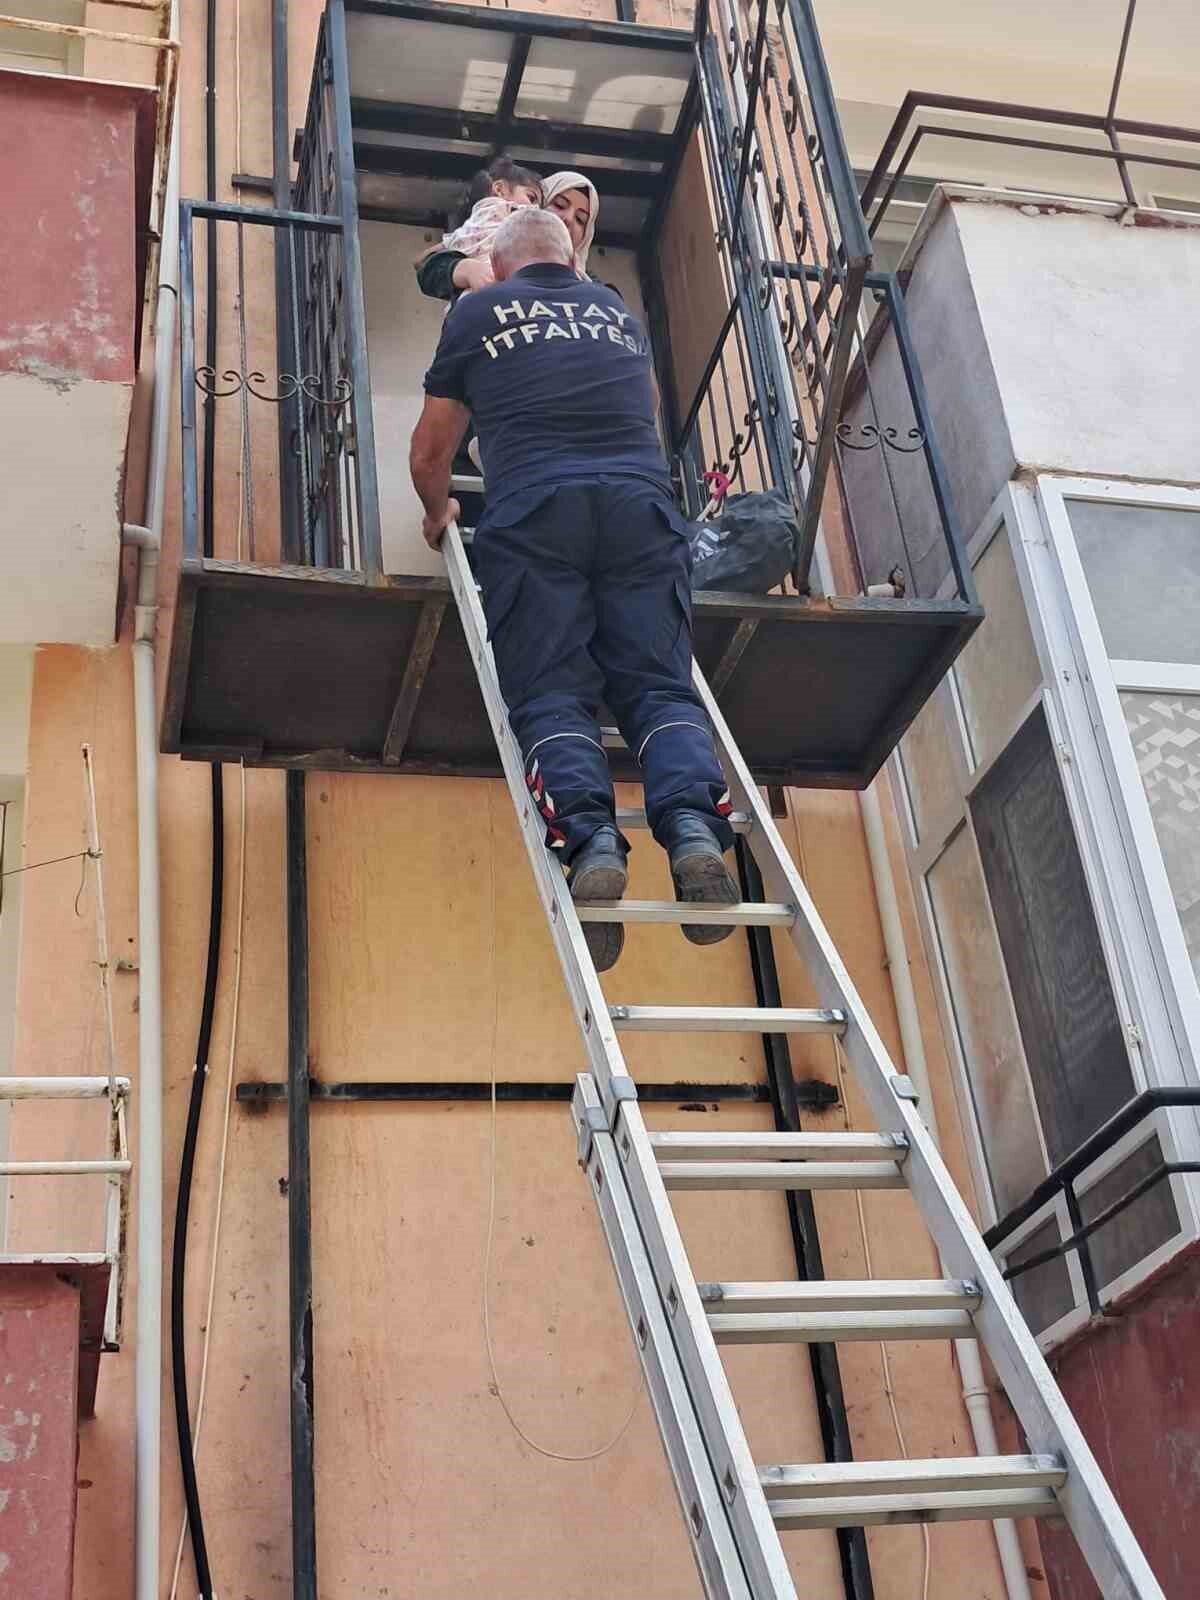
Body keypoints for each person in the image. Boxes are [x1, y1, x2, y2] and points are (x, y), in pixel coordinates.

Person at [409, 207, 737, 972]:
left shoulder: (480, 310)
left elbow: (431, 450)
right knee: (658, 684)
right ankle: (692, 829)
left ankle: (591, 841)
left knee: (551, 689)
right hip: (642, 511)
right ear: (569, 258)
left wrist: (439, 512)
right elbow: (648, 406)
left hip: (537, 514)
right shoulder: (614, 311)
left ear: (498, 264)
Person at [416, 169, 601, 304]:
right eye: (560, 205)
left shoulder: (590, 284)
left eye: (580, 219)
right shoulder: (494, 240)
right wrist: (465, 269)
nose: (568, 219)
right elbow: (425, 263)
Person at [418, 156, 544, 296]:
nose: (536, 208)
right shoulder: (511, 209)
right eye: (531, 198)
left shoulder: (468, 228)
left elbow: (421, 259)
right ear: (499, 189)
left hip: (470, 297)